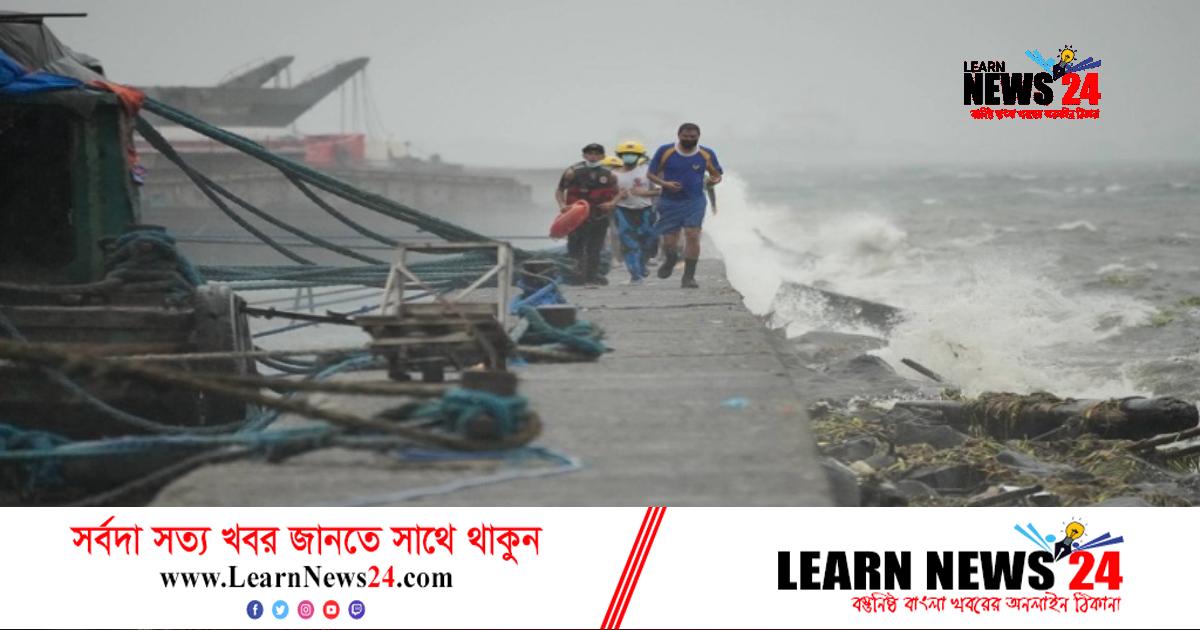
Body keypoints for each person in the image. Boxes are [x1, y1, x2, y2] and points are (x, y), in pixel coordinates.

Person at [646, 123, 723, 288]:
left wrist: (713, 180)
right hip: (669, 201)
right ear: (679, 135)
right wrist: (665, 184)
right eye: (686, 137)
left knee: (692, 234)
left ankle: (689, 276)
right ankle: (671, 259)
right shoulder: (665, 151)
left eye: (693, 137)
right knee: (669, 240)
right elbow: (650, 174)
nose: (689, 140)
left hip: (694, 200)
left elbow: (717, 175)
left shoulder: (706, 153)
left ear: (698, 137)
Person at [555, 143, 619, 285]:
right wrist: (562, 206)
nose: (593, 156)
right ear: (584, 155)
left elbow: (618, 193)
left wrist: (612, 203)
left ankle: (591, 278)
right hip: (576, 216)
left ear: (602, 156)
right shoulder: (572, 172)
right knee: (575, 247)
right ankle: (576, 276)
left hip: (599, 215)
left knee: (595, 248)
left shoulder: (609, 175)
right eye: (590, 153)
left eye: (597, 154)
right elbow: (559, 191)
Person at [610, 140, 660, 284]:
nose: (629, 157)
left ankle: (642, 265)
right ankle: (635, 274)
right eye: (626, 154)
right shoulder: (613, 175)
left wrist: (644, 193)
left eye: (633, 154)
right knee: (628, 243)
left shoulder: (648, 171)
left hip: (645, 210)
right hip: (623, 211)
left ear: (640, 156)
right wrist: (617, 196)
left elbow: (660, 190)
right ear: (620, 155)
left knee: (648, 240)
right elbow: (608, 194)